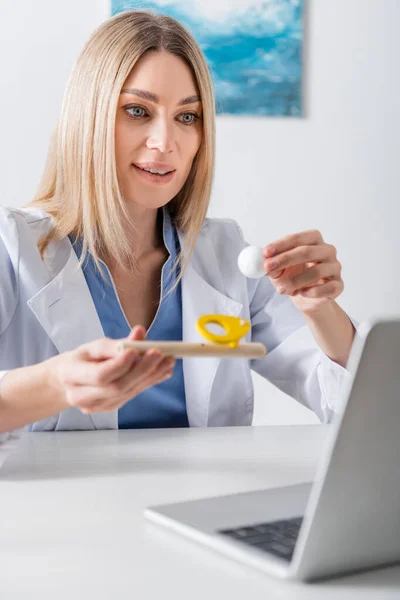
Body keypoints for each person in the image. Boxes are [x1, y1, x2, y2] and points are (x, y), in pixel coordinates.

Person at [0, 10, 357, 437]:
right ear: (88, 119)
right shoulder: (13, 248)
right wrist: (55, 385)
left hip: (200, 503)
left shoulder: (223, 253)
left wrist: (319, 308)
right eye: (137, 111)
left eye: (187, 117)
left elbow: (360, 410)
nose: (165, 142)